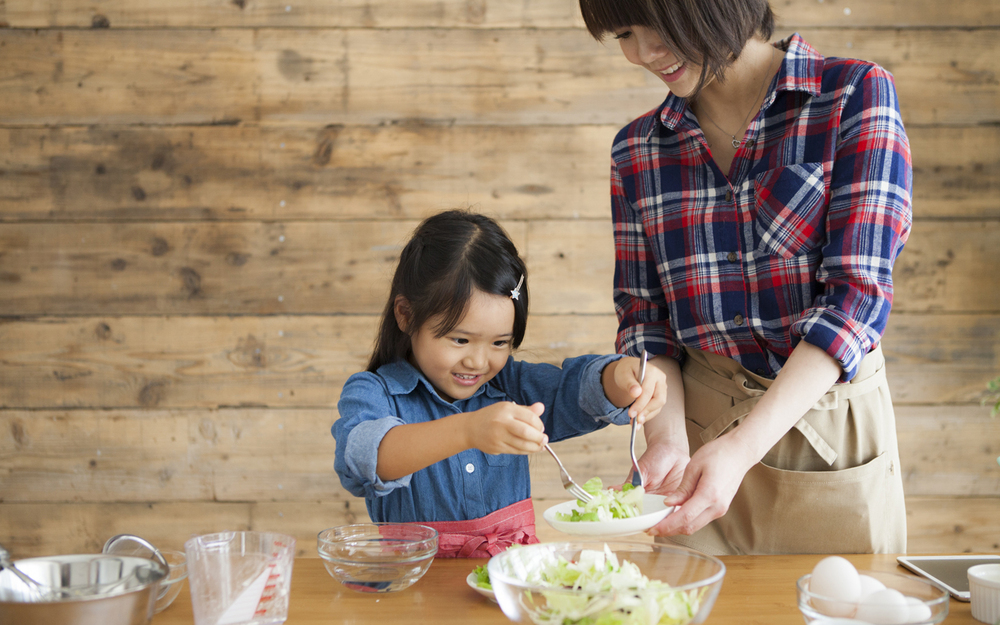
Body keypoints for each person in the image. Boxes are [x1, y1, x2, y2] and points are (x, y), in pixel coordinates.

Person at [579, 0, 913, 554]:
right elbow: (646, 324)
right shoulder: (637, 151)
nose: (642, 53)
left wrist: (742, 449)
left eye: (658, 26)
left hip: (826, 431)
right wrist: (665, 443)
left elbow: (854, 304)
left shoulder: (852, 95)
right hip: (698, 440)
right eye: (624, 33)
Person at [334, 209, 667, 558]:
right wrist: (468, 431)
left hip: (511, 585)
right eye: (460, 340)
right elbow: (364, 459)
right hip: (416, 593)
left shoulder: (514, 385)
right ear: (405, 315)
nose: (479, 362)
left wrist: (621, 377)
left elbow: (578, 391)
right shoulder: (373, 392)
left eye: (498, 343)